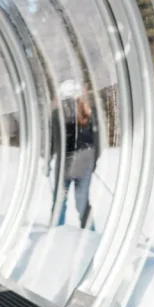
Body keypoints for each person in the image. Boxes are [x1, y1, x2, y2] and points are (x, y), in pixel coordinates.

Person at [52, 82, 98, 230]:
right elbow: (97, 139)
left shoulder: (58, 113)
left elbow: (54, 140)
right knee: (82, 202)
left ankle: (55, 231)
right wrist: (93, 160)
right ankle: (90, 232)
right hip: (84, 161)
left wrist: (46, 159)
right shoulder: (88, 112)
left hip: (66, 164)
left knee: (60, 200)